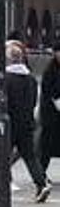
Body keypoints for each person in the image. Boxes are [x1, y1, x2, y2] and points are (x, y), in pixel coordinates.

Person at [0, 41, 50, 201]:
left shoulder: (5, 78)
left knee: (1, 155)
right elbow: (35, 100)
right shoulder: (31, 79)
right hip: (27, 121)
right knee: (30, 156)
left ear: (8, 59)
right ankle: (41, 183)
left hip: (9, 122)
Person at [38, 43, 60, 181]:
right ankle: (41, 174)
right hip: (51, 115)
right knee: (46, 147)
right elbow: (48, 90)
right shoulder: (50, 70)